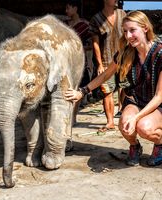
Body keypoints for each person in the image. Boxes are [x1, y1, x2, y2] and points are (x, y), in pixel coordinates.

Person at [65, 10, 162, 167]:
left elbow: (159, 96)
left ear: (145, 28)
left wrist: (136, 118)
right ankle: (135, 147)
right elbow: (104, 76)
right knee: (124, 125)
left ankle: (160, 144)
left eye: (132, 30)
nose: (128, 36)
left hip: (157, 103)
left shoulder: (160, 53)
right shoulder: (125, 53)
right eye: (125, 31)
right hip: (136, 100)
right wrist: (81, 92)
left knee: (144, 127)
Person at [89, 0, 126, 131]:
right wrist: (99, 64)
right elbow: (95, 43)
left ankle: (124, 117)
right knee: (107, 91)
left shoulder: (123, 15)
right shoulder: (96, 19)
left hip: (123, 59)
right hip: (106, 61)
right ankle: (110, 122)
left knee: (126, 89)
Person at [65, 0, 93, 124]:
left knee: (77, 89)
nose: (66, 11)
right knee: (67, 88)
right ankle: (67, 116)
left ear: (75, 8)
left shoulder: (85, 25)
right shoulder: (65, 25)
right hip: (65, 61)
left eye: (68, 8)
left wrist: (80, 47)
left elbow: (92, 44)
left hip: (79, 62)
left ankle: (73, 117)